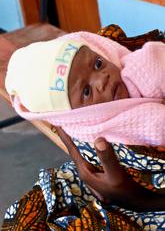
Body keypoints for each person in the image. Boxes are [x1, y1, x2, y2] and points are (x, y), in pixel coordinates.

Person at [2, 25, 165, 230]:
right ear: (74, 116)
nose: (102, 79)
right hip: (102, 182)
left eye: (98, 64)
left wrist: (139, 201)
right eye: (86, 91)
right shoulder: (84, 126)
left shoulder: (135, 64)